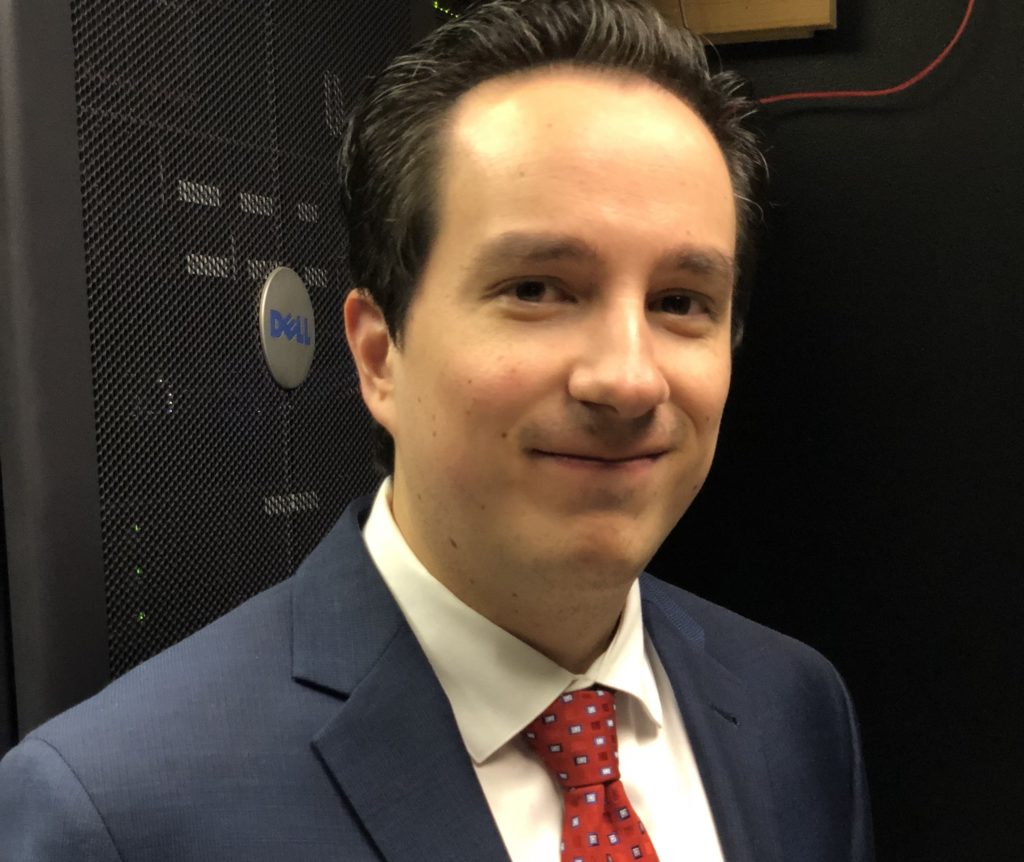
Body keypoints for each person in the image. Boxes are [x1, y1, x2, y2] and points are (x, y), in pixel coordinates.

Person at [0, 1, 873, 859]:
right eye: (538, 288)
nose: (629, 379)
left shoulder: (793, 711)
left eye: (682, 303)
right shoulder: (117, 815)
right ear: (379, 354)